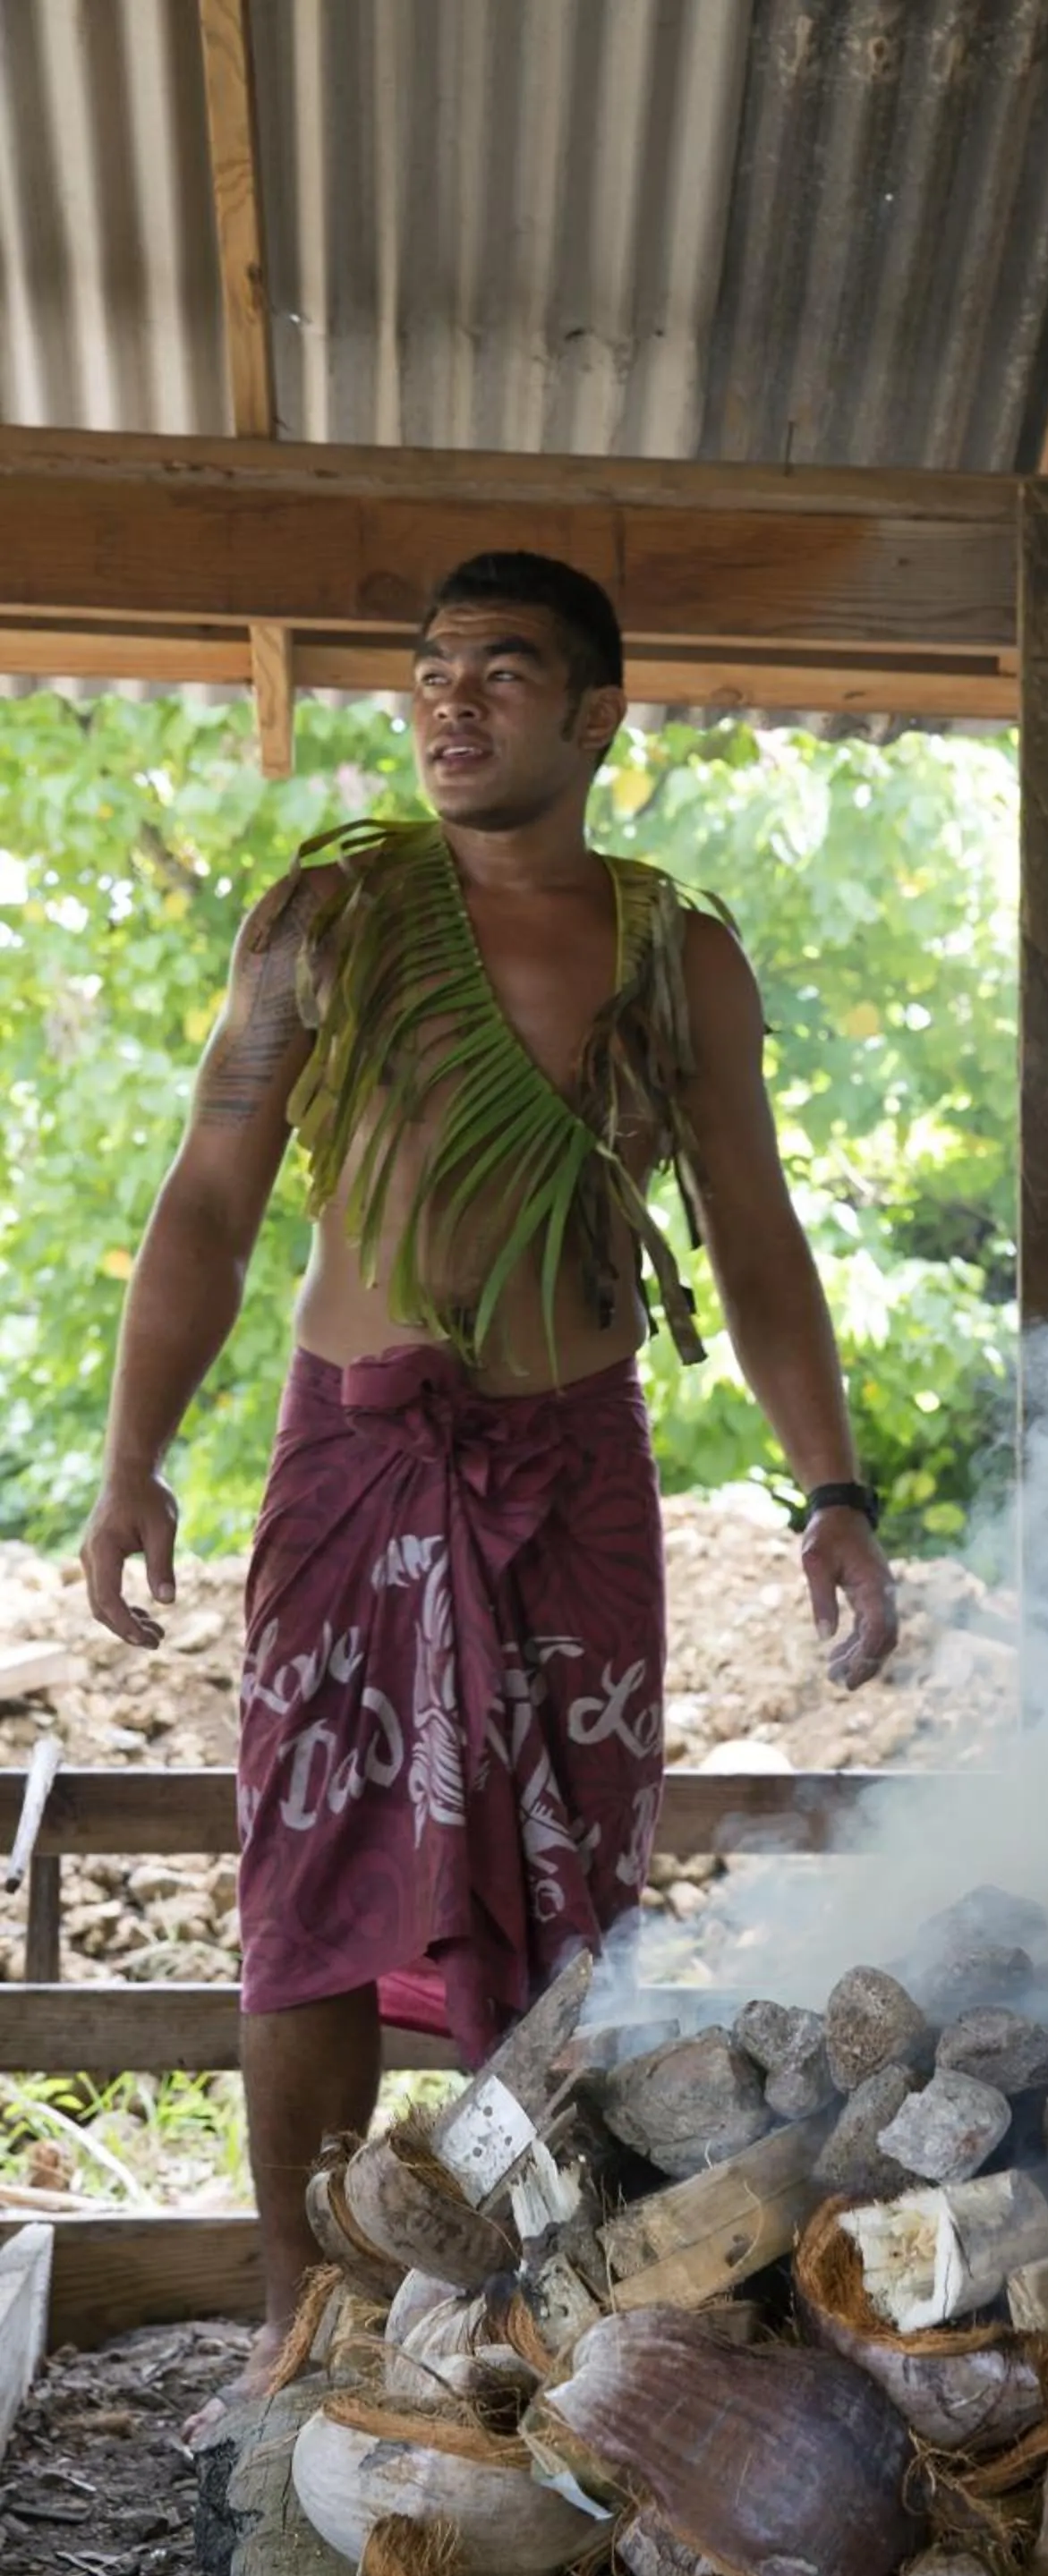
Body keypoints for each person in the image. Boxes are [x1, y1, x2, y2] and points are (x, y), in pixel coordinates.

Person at [79, 549, 898, 2410]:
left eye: (503, 673)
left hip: (576, 1476)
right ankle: (301, 2323)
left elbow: (756, 1244)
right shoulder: (327, 923)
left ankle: (525, 2313)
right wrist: (133, 1465)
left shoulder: (681, 958)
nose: (449, 701)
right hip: (356, 1458)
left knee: (566, 1893)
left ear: (598, 716)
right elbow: (208, 1204)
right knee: (308, 1882)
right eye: (433, 669)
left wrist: (831, 1493)